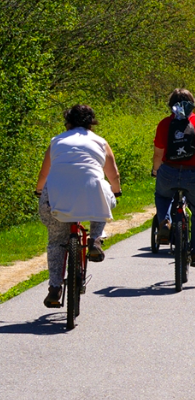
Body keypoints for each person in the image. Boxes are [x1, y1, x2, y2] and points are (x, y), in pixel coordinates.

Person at [35, 105, 122, 308]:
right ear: (92, 123)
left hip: (57, 196)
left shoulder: (56, 141)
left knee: (56, 241)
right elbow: (113, 175)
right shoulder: (100, 142)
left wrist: (39, 191)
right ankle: (95, 239)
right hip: (91, 193)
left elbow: (44, 174)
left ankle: (55, 288)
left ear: (68, 123)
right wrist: (116, 192)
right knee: (103, 195)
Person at [152, 89, 195, 268]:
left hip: (169, 172)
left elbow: (158, 154)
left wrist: (156, 171)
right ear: (192, 104)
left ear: (171, 105)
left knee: (163, 196)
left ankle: (165, 221)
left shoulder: (165, 123)